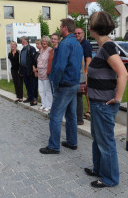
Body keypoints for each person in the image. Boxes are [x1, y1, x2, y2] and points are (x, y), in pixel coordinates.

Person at [84, 11, 128, 188]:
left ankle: (109, 179)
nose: (88, 26)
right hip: (97, 103)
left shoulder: (108, 47)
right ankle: (98, 169)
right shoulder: (103, 47)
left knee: (105, 142)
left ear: (95, 27)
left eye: (90, 23)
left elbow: (123, 73)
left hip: (103, 104)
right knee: (98, 139)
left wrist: (117, 98)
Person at [39, 18, 83, 154]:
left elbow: (59, 67)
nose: (59, 28)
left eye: (60, 26)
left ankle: (53, 146)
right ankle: (72, 142)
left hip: (64, 84)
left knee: (55, 115)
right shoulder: (77, 44)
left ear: (65, 28)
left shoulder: (65, 44)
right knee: (71, 115)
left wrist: (55, 82)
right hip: (74, 84)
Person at [74, 27, 92, 125]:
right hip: (79, 73)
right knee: (83, 92)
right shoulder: (77, 44)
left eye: (79, 33)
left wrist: (85, 72)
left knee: (86, 92)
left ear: (83, 34)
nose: (77, 35)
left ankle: (89, 111)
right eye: (75, 33)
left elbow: (88, 59)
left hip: (85, 72)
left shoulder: (86, 44)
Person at [36, 36, 53, 112]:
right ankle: (44, 104)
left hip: (46, 73)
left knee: (47, 90)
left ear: (48, 42)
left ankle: (49, 105)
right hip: (40, 73)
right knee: (41, 90)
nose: (44, 42)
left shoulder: (50, 50)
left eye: (45, 41)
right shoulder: (41, 50)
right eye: (43, 41)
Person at [20, 36, 37, 106]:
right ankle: (29, 97)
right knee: (27, 84)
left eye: (22, 40)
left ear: (26, 41)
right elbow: (21, 60)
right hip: (24, 69)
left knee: (32, 84)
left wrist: (33, 69)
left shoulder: (31, 48)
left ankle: (33, 98)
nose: (21, 41)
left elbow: (34, 59)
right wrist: (20, 70)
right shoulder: (23, 49)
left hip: (29, 69)